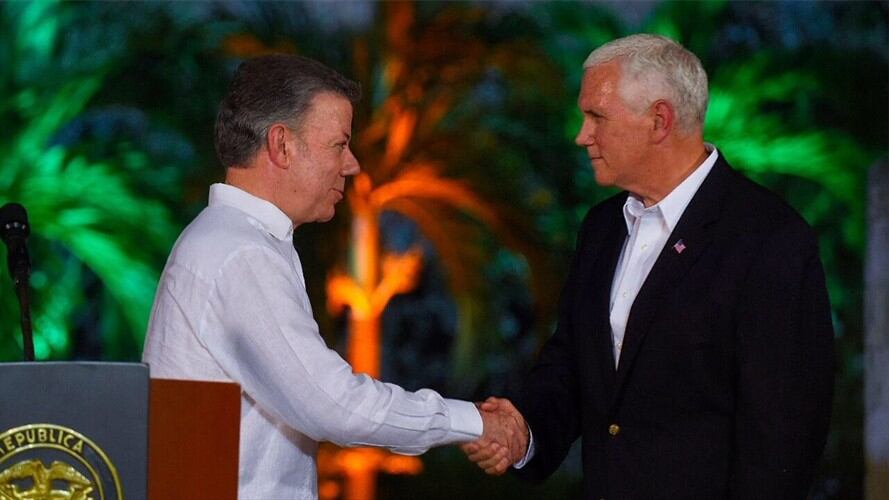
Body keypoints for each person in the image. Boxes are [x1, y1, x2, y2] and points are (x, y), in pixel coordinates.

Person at [462, 34, 834, 499]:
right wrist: (524, 434)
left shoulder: (769, 239)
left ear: (660, 120)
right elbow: (573, 369)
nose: (582, 135)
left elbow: (783, 436)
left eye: (596, 116)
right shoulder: (601, 228)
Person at [142, 54, 522, 500]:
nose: (353, 165)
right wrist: (473, 422)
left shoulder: (232, 241)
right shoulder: (241, 253)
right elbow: (333, 404)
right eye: (339, 145)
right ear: (282, 145)